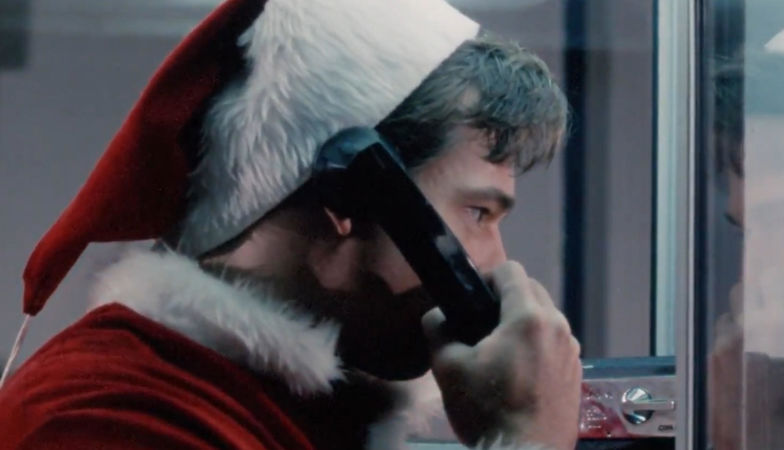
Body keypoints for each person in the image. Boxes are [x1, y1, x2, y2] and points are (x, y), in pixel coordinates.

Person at [0, 0, 582, 448]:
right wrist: (523, 438)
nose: (495, 264)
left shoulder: (300, 416)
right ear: (352, 196)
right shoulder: (102, 421)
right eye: (478, 213)